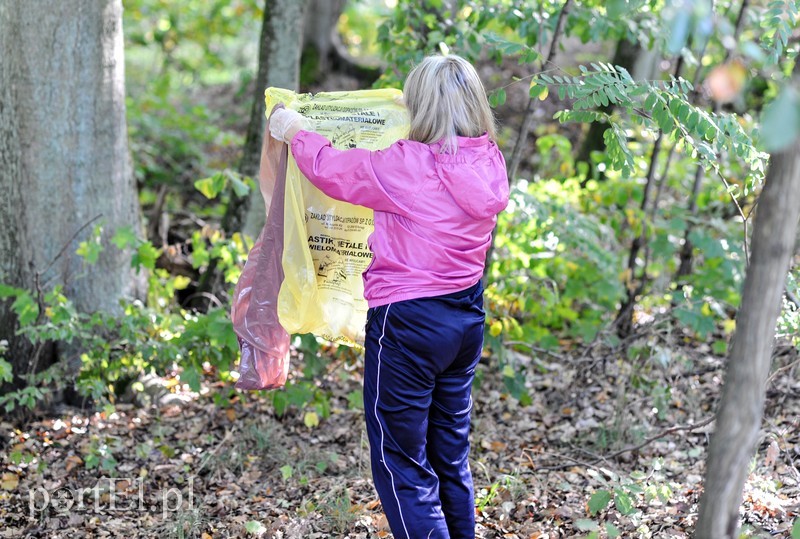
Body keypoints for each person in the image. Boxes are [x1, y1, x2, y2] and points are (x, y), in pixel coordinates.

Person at [268, 54, 509, 539]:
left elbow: (335, 169)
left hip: (408, 323)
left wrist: (295, 130)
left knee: (400, 461)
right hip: (466, 320)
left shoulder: (410, 165)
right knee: (448, 454)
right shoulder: (489, 159)